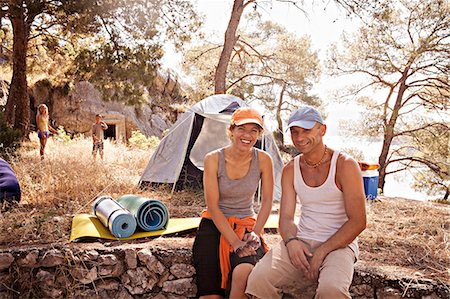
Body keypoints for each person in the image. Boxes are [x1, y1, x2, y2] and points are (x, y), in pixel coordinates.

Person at [246, 106, 367, 299]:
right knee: (258, 279)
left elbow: (358, 221)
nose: (300, 137)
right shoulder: (290, 169)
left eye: (306, 130)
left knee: (331, 290)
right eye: (295, 132)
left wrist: (321, 252)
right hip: (302, 240)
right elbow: (286, 218)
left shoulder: (345, 165)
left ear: (322, 130)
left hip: (339, 245)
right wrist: (291, 241)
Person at [193, 107, 274, 299]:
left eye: (253, 130)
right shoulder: (213, 159)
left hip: (246, 224)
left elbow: (267, 201)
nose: (247, 135)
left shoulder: (263, 160)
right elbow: (212, 206)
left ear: (259, 134)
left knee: (243, 275)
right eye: (241, 129)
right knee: (210, 294)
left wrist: (256, 232)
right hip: (214, 224)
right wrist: (235, 242)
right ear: (231, 131)